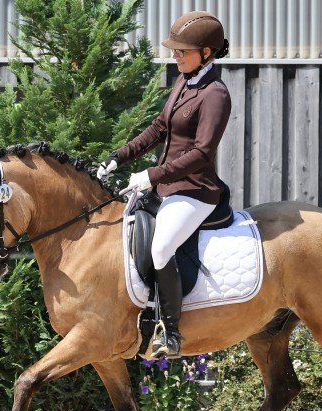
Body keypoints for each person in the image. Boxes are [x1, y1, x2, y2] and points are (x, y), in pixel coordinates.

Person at [97, 11, 231, 359]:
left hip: (195, 190)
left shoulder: (215, 94)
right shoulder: (183, 81)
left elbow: (202, 152)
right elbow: (158, 129)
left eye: (182, 51)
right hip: (166, 187)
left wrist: (151, 176)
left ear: (205, 52)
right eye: (174, 50)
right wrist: (118, 157)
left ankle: (170, 333)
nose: (175, 55)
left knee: (160, 248)